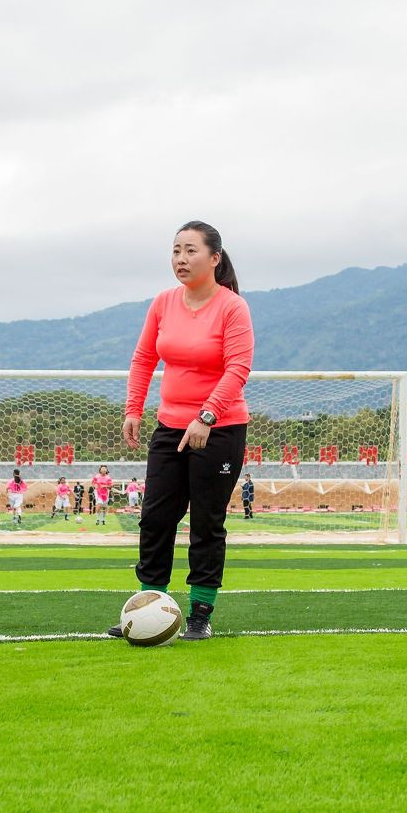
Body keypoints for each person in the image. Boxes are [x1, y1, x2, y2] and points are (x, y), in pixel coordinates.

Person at [113, 221, 254, 642]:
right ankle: (148, 607)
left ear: (215, 258)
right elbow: (143, 358)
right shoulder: (163, 303)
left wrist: (206, 416)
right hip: (169, 427)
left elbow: (238, 368)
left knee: (206, 523)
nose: (181, 258)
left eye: (191, 250)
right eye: (176, 250)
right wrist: (133, 409)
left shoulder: (232, 307)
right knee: (155, 517)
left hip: (220, 430)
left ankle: (200, 613)